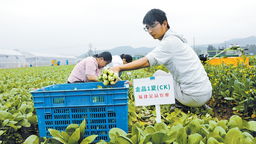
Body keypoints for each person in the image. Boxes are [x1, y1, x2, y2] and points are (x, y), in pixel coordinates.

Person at [110, 9, 212, 111]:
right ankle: (199, 105)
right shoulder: (177, 38)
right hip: (206, 91)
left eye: (153, 26)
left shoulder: (169, 42)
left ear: (164, 23)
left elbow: (146, 61)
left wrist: (119, 67)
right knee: (164, 73)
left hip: (193, 96)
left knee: (158, 76)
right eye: (147, 28)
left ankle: (184, 106)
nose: (150, 31)